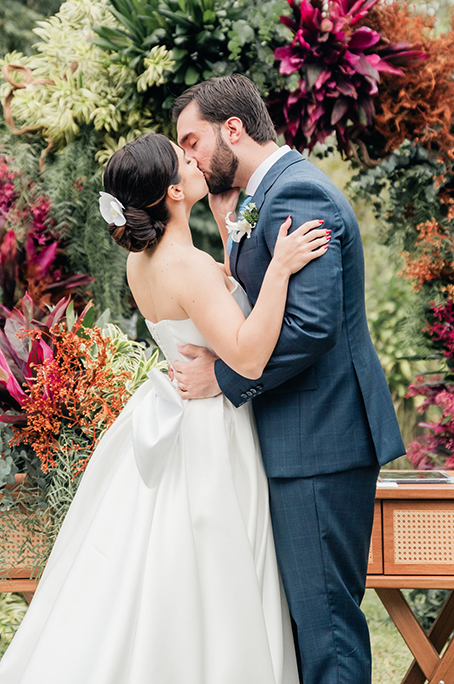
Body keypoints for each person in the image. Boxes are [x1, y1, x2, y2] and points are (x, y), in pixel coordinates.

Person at [0, 131, 328, 684]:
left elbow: (203, 312)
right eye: (184, 159)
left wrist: (224, 233)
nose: (195, 158)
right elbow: (244, 354)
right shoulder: (185, 268)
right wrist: (281, 269)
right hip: (208, 431)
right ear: (173, 190)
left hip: (173, 412)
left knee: (152, 567)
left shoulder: (145, 263)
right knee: (213, 571)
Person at [173, 75, 405, 684]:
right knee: (306, 625)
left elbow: (309, 328)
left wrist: (223, 379)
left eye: (192, 140)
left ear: (233, 129)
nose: (189, 157)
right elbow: (258, 301)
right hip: (301, 439)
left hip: (320, 440)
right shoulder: (263, 194)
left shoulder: (299, 194)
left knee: (325, 626)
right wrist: (230, 232)